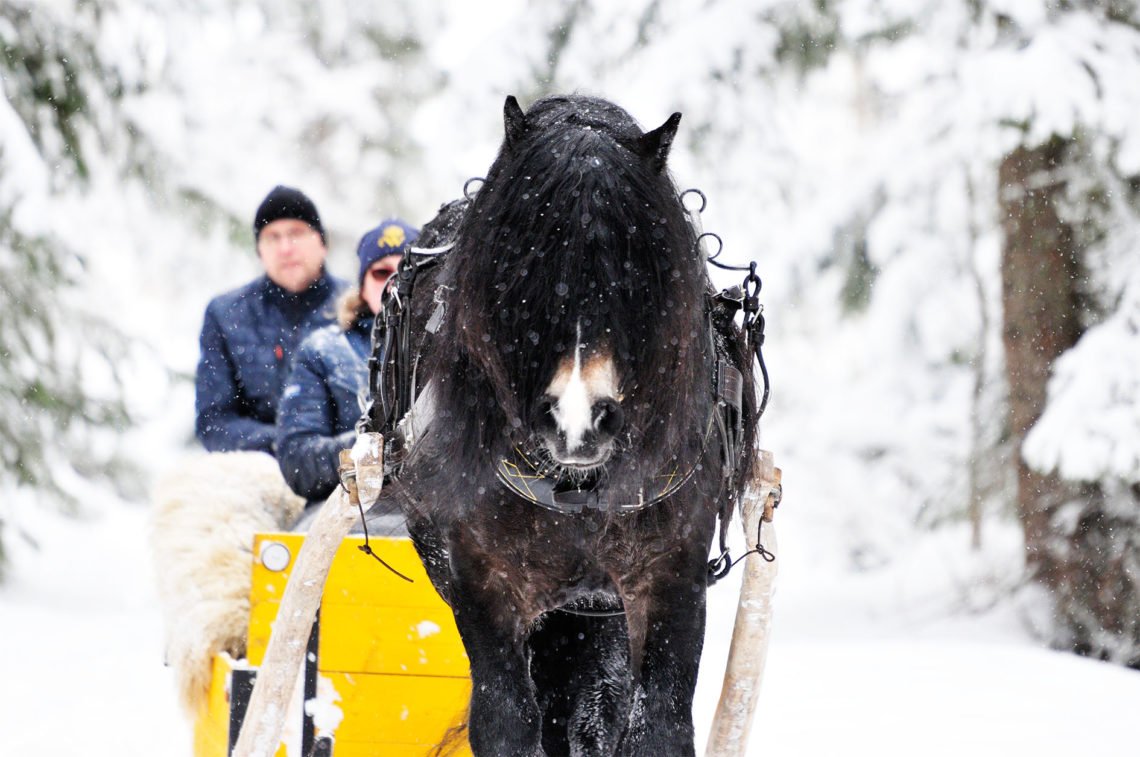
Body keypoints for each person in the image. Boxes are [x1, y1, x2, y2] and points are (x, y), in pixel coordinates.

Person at [276, 218, 419, 505]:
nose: (394, 285)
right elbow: (297, 462)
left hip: (439, 520)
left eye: (406, 271)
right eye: (381, 273)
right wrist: (371, 450)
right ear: (363, 287)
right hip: (349, 511)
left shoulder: (457, 352)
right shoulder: (322, 351)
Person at [195, 185, 347, 455]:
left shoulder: (359, 307)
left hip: (347, 464)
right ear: (259, 251)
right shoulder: (226, 315)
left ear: (322, 242)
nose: (285, 248)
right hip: (262, 469)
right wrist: (287, 443)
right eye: (272, 238)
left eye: (296, 234)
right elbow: (214, 422)